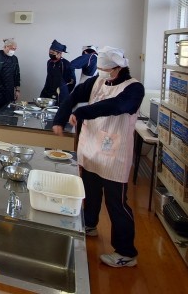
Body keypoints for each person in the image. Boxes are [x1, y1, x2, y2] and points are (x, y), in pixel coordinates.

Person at [52, 47, 144, 268]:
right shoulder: (96, 82)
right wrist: (59, 119)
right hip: (92, 147)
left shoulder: (134, 88)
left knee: (116, 203)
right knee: (90, 192)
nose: (100, 71)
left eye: (104, 68)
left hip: (114, 154)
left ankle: (126, 253)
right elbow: (73, 97)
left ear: (118, 68)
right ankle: (89, 224)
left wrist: (82, 112)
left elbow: (116, 106)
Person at [0, 38, 21, 115]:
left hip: (9, 91)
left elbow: (17, 74)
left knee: (9, 112)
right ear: (6, 47)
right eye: (12, 48)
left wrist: (17, 90)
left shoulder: (14, 58)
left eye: (15, 49)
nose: (13, 50)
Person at [40, 39, 75, 105]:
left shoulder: (66, 64)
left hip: (60, 94)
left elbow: (72, 82)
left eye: (53, 53)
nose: (51, 54)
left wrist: (64, 92)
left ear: (60, 53)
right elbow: (49, 77)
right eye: (50, 53)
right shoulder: (49, 62)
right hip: (48, 91)